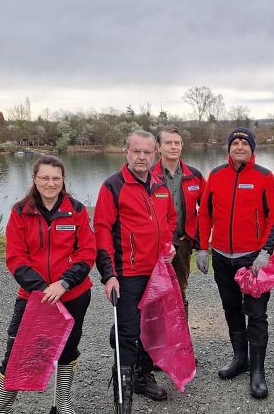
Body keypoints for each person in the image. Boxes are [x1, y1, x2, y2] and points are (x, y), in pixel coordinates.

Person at [0, 155, 97, 414]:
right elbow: (15, 258)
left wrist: (64, 283)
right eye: (45, 177)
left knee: (68, 349)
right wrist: (42, 289)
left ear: (63, 180)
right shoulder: (19, 212)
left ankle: (63, 403)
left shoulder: (78, 211)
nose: (50, 183)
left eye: (56, 178)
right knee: (17, 355)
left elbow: (87, 253)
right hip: (33, 298)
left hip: (73, 294)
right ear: (35, 179)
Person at [197, 127, 274, 399]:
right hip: (222, 257)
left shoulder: (265, 177)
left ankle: (258, 371)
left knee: (256, 314)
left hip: (253, 260)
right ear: (229, 148)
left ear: (252, 148)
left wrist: (266, 251)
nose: (239, 146)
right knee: (231, 308)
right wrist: (202, 248)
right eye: (234, 142)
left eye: (244, 143)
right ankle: (240, 359)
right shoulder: (216, 175)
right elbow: (205, 215)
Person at [94, 130, 177, 413]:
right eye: (136, 151)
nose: (142, 157)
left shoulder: (161, 185)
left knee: (151, 327)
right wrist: (109, 275)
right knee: (128, 332)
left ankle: (141, 376)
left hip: (157, 272)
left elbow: (169, 220)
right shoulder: (112, 187)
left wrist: (168, 244)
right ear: (126, 152)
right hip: (127, 273)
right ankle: (123, 398)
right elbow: (102, 231)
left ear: (155, 154)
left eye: (147, 152)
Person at [150, 126, 206, 317]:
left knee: (179, 289)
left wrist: (201, 245)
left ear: (182, 145)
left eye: (177, 143)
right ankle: (154, 338)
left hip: (182, 243)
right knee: (154, 291)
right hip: (153, 245)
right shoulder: (147, 175)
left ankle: (181, 337)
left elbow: (206, 211)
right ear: (158, 147)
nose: (173, 147)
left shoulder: (194, 175)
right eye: (168, 143)